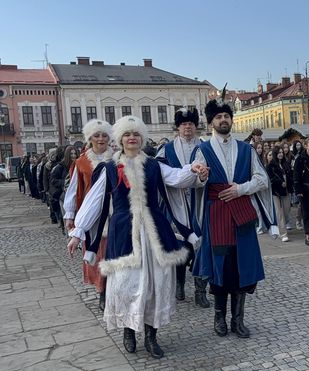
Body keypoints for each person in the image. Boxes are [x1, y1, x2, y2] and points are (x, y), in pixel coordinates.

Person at [67, 116, 208, 358]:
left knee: (156, 284)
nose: (132, 138)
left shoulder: (154, 165)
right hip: (124, 232)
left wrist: (196, 171)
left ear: (142, 138)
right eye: (127, 134)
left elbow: (177, 176)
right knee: (125, 283)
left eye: (136, 134)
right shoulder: (109, 168)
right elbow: (93, 201)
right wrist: (78, 232)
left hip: (155, 231)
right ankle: (129, 330)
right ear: (120, 139)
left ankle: (151, 336)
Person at [191, 99, 277, 340]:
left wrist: (241, 189)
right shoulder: (203, 150)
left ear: (231, 120)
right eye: (218, 117)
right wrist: (201, 176)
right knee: (221, 268)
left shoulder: (246, 149)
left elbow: (262, 179)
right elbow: (196, 181)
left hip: (241, 214)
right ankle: (219, 317)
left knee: (242, 267)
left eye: (226, 116)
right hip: (216, 214)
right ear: (211, 123)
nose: (223, 120)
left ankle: (238, 320)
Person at [156, 107, 210, 308]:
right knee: (179, 246)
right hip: (175, 204)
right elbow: (160, 175)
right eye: (184, 124)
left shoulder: (205, 147)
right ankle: (179, 284)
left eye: (191, 124)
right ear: (177, 127)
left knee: (202, 246)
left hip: (199, 204)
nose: (188, 127)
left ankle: (200, 290)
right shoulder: (166, 149)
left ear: (196, 126)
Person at [63, 119, 115, 310]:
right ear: (90, 138)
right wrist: (70, 215)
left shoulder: (117, 158)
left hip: (114, 212)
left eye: (104, 135)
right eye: (97, 135)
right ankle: (102, 291)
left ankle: (113, 288)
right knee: (97, 252)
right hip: (91, 215)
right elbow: (74, 189)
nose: (101, 139)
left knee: (114, 252)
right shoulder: (81, 162)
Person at [266, 146, 293, 242]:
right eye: (278, 152)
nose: (281, 154)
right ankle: (283, 233)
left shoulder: (286, 164)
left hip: (286, 191)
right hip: (276, 192)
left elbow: (290, 175)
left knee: (286, 211)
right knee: (279, 213)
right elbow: (270, 179)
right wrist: (279, 182)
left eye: (282, 152)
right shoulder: (270, 166)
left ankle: (281, 226)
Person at [48, 146, 67, 234]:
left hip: (66, 193)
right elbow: (52, 180)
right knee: (62, 213)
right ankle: (63, 226)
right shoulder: (57, 166)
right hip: (60, 193)